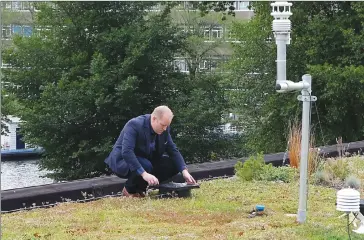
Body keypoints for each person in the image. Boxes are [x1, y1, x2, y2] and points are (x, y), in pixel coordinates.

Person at [105, 105, 196, 197]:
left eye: (167, 126)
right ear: (154, 119)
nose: (165, 129)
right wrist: (144, 174)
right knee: (145, 165)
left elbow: (172, 149)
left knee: (173, 164)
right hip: (124, 160)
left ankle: (140, 189)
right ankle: (130, 190)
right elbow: (127, 152)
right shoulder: (134, 125)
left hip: (147, 159)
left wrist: (184, 171)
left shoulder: (164, 128)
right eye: (163, 125)